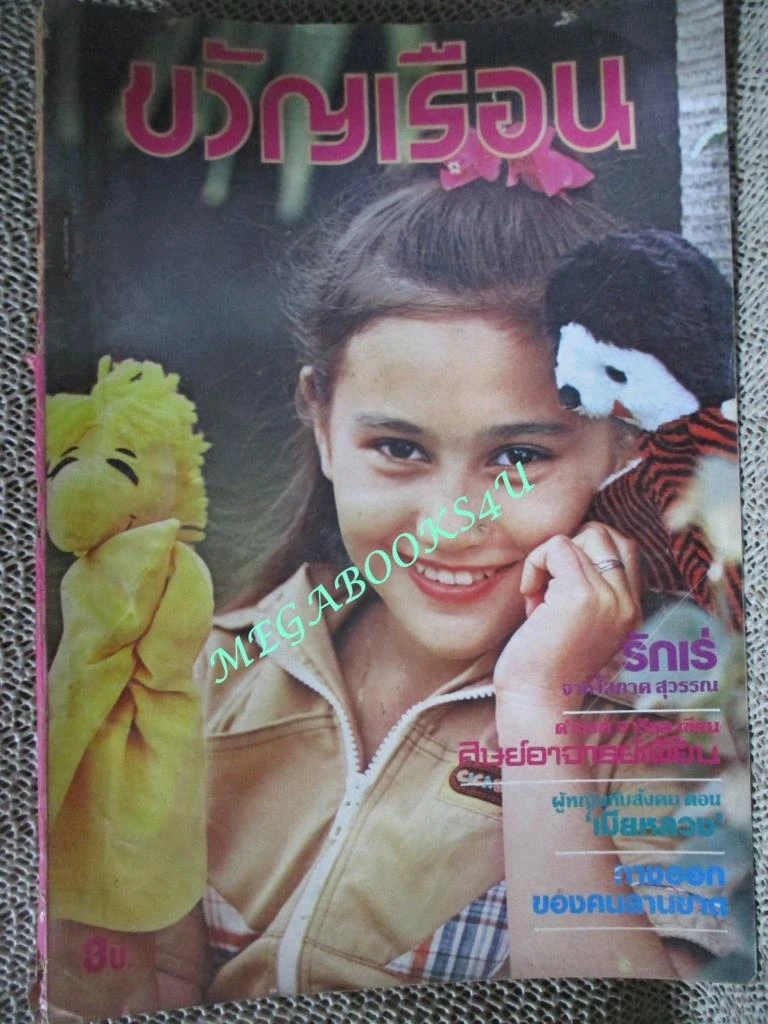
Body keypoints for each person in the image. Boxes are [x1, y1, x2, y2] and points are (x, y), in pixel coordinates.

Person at [49, 160, 695, 1018]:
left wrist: (540, 711)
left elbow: (633, 1008)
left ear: (623, 446)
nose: (450, 523)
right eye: (399, 448)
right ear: (321, 421)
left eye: (518, 457)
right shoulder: (202, 674)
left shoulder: (668, 724)